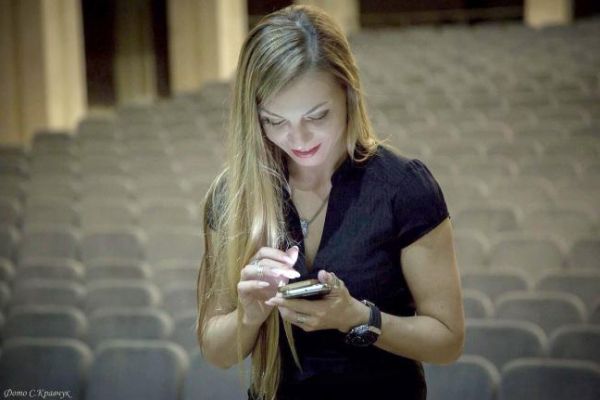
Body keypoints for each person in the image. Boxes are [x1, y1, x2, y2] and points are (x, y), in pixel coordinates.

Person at [196, 5, 464, 400]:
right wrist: (248, 317)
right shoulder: (232, 195)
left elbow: (447, 341)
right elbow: (216, 352)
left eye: (317, 116)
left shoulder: (403, 188)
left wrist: (358, 317)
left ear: (348, 93)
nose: (298, 140)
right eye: (274, 121)